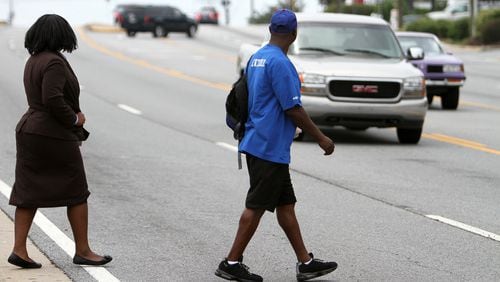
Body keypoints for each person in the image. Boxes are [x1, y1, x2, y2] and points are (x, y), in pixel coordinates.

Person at [215, 9, 337, 282]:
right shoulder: (281, 64)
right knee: (256, 206)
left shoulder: (257, 58)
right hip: (268, 147)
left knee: (286, 205)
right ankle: (231, 262)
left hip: (261, 142)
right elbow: (293, 108)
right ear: (294, 35)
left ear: (270, 30)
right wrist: (321, 138)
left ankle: (305, 262)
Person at [7, 14, 112, 269]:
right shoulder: (54, 62)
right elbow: (52, 98)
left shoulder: (34, 60)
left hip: (30, 129)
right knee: (76, 191)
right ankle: (83, 250)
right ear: (60, 35)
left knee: (27, 191)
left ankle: (19, 249)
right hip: (51, 132)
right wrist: (75, 120)